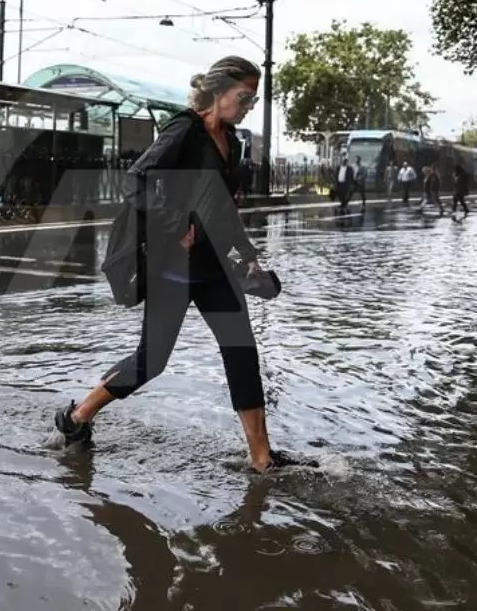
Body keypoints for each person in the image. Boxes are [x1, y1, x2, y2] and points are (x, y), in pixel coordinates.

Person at [54, 56, 308, 474]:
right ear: (220, 91)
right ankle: (78, 417)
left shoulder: (233, 141)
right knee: (151, 362)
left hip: (215, 269)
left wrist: (245, 256)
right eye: (244, 96)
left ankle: (262, 459)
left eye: (254, 98)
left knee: (242, 353)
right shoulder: (183, 129)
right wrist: (173, 225)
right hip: (173, 269)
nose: (249, 104)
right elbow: (135, 180)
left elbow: (222, 209)